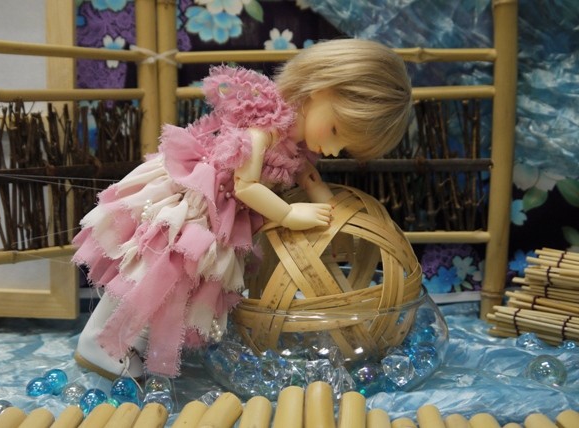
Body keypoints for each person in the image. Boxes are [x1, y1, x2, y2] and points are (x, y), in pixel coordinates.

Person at [72, 38, 412, 379]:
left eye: (344, 148)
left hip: (221, 217)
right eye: (336, 131)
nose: (334, 150)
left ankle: (130, 342)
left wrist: (324, 198)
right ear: (320, 89)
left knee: (178, 284)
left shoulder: (296, 142)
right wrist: (289, 215)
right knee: (155, 268)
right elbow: (245, 185)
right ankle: (97, 339)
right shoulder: (265, 127)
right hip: (197, 204)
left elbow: (305, 173)